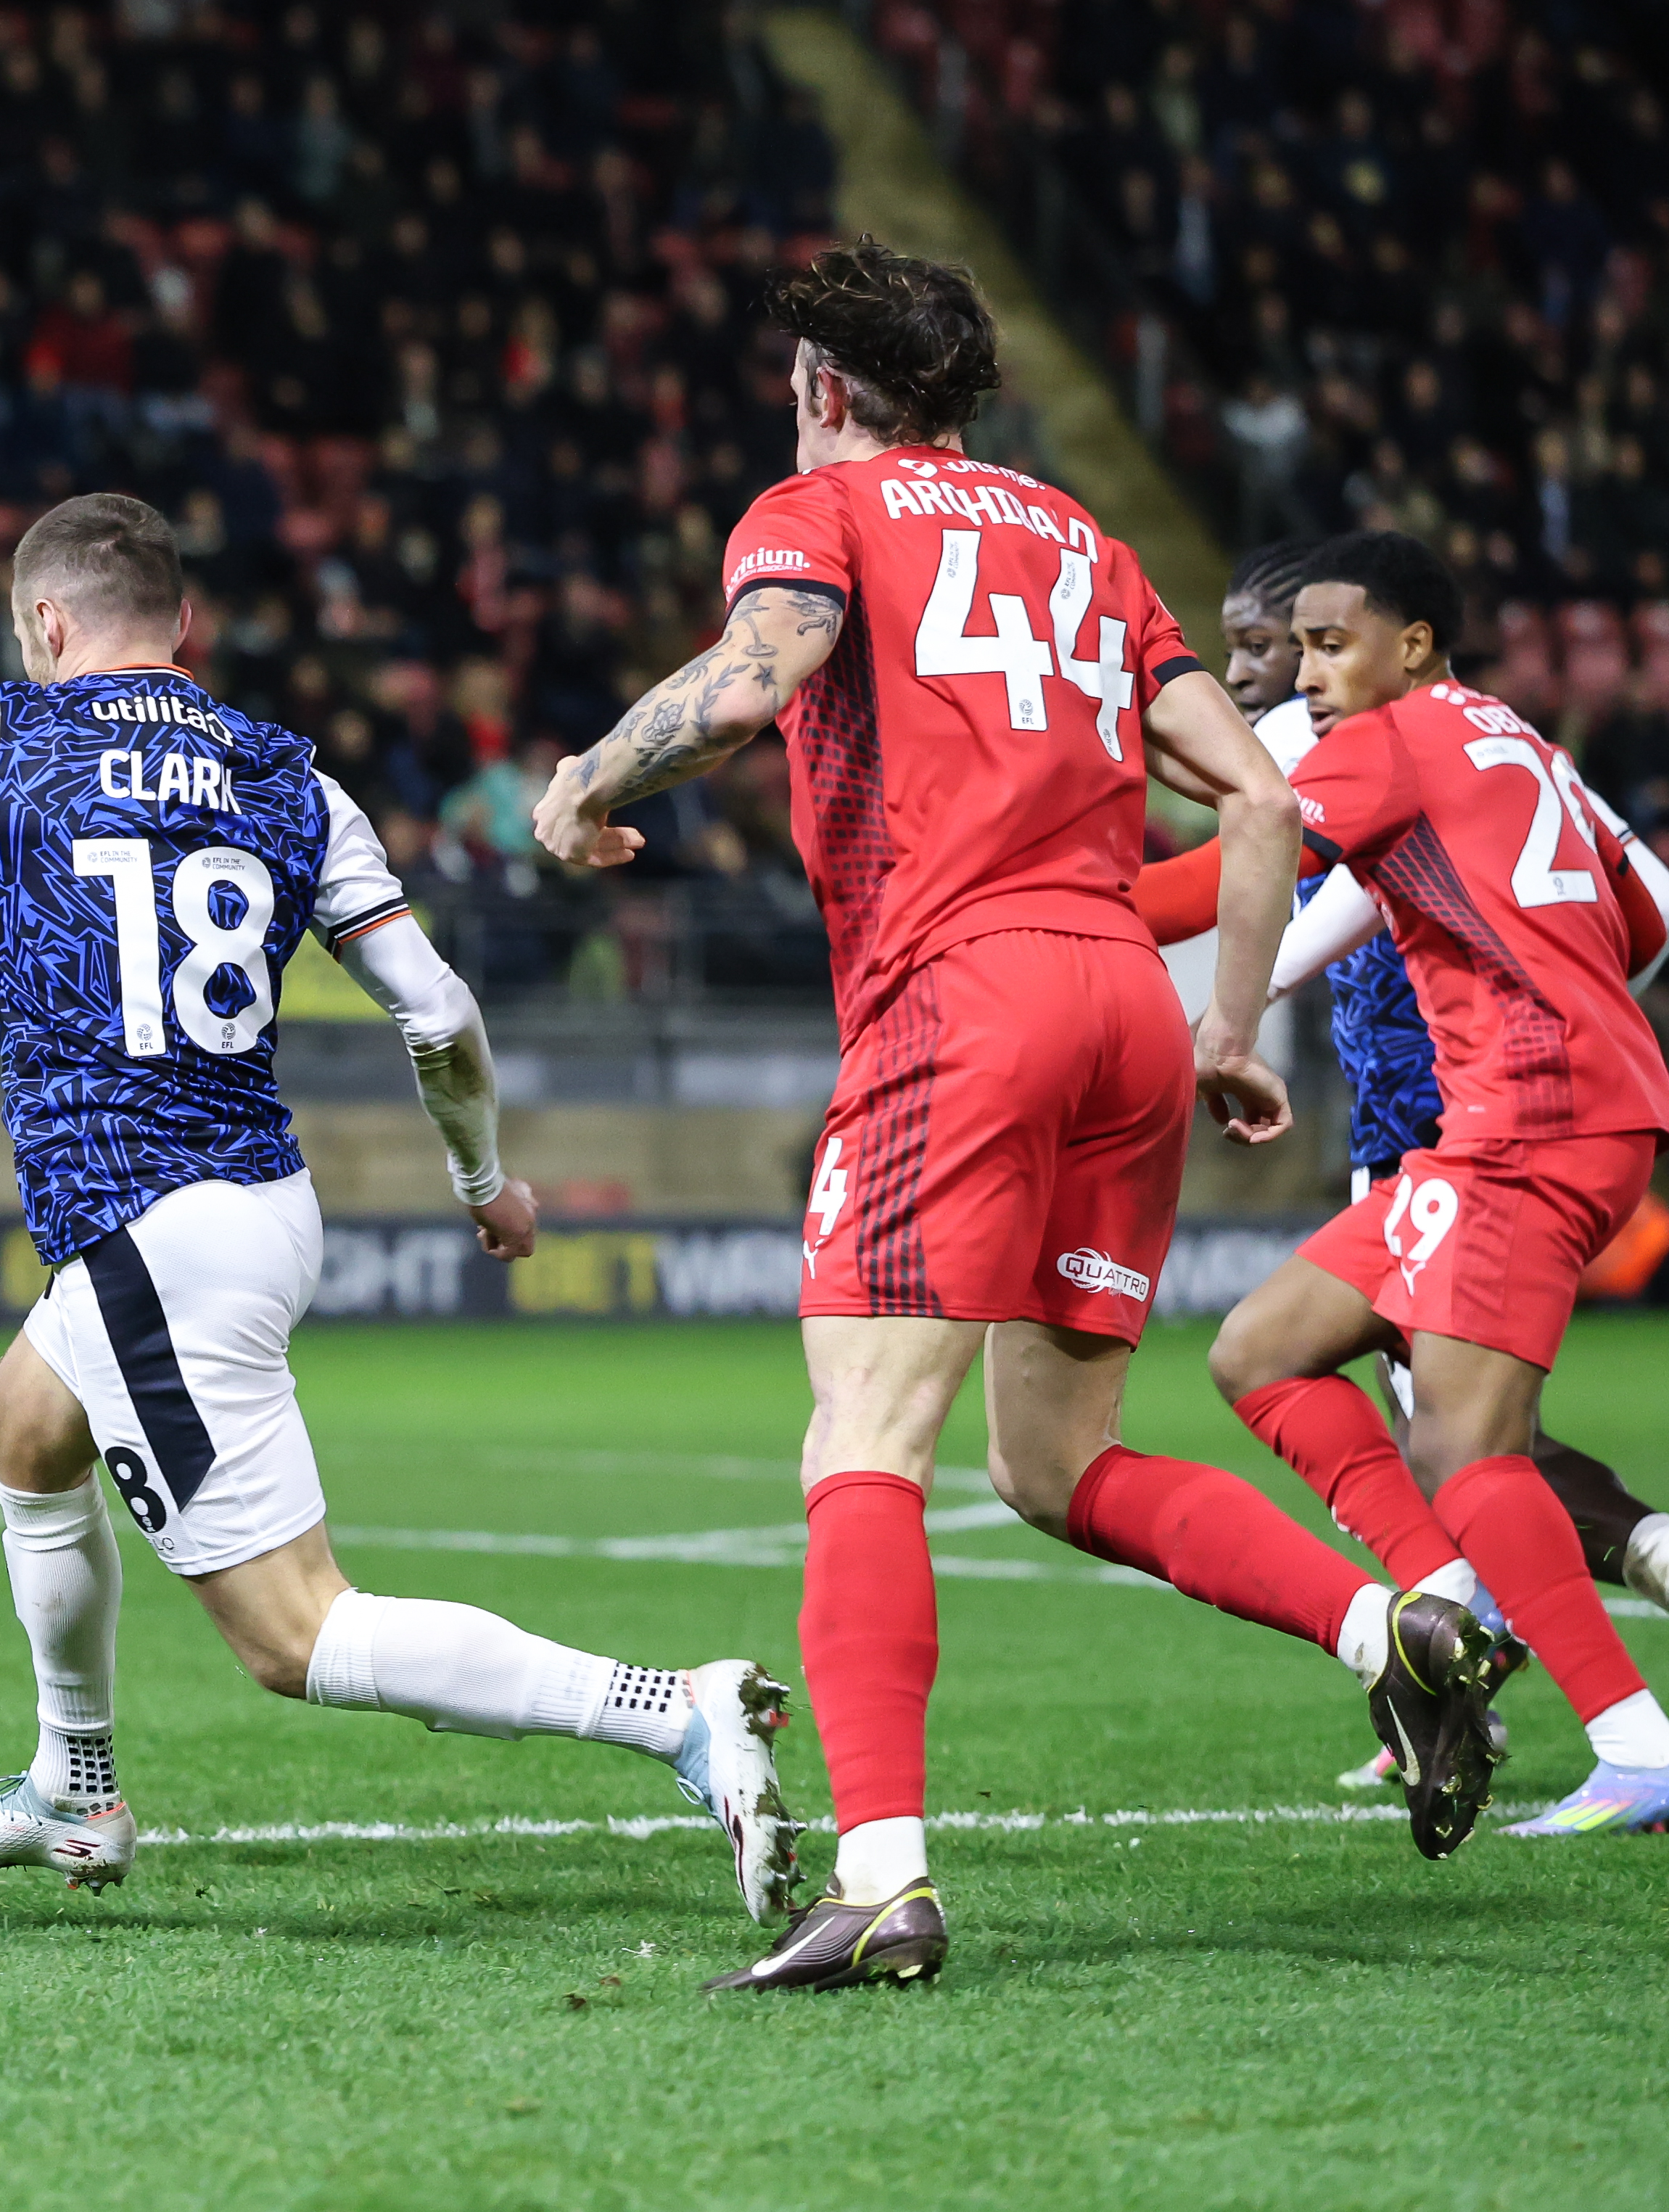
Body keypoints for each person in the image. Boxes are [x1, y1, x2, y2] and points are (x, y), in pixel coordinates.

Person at [0, 494, 806, 1923]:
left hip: (145, 1221)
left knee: (294, 1633)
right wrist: (483, 1181)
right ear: (182, 624)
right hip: (252, 1202)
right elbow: (437, 1012)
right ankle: (74, 1788)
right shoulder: (293, 779)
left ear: (44, 621)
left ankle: (671, 1710)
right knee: (23, 1425)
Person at [532, 240, 1496, 1993]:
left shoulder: (818, 510)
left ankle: (883, 1878)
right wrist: (1229, 1028)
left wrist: (586, 781)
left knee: (862, 1440)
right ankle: (1393, 1625)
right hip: (1122, 1009)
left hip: (957, 1001)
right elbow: (1263, 800)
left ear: (828, 386)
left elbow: (747, 683)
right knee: (1053, 1465)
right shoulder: (1084, 540)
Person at [1137, 541, 1669, 1792]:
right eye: (1299, 648)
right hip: (1516, 1118)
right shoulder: (1514, 736)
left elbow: (1228, 867)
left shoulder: (1387, 741)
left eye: (1329, 646)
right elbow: (1643, 913)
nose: (1304, 674)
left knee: (1461, 1452)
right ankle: (1448, 1607)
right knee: (1260, 1351)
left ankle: (1635, 1746)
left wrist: (1043, 895)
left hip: (1530, 1125)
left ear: (1414, 644)